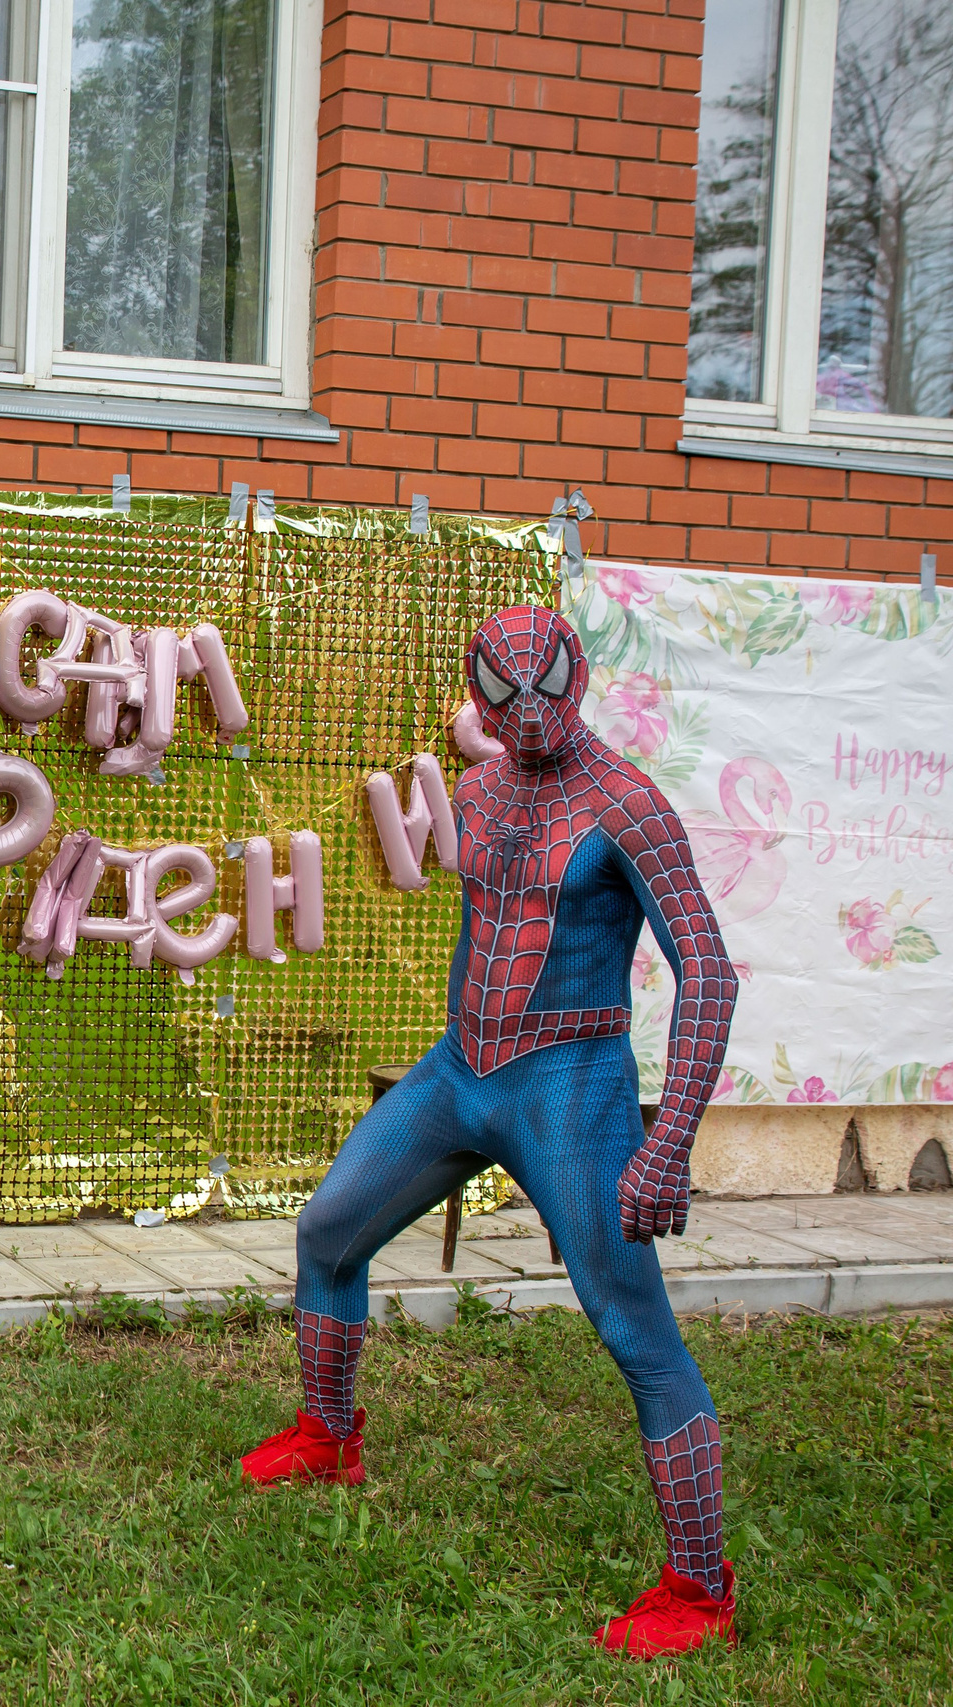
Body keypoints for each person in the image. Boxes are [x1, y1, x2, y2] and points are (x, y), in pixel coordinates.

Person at [239, 607, 743, 1659]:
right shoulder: (476, 786)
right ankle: (329, 1439)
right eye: (502, 697)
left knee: (634, 1331)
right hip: (461, 1067)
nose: (528, 716)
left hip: (569, 1081)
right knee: (328, 1231)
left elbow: (707, 971)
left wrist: (669, 1139)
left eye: (545, 691)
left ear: (582, 677)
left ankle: (700, 1591)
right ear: (472, 694)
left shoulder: (629, 807)